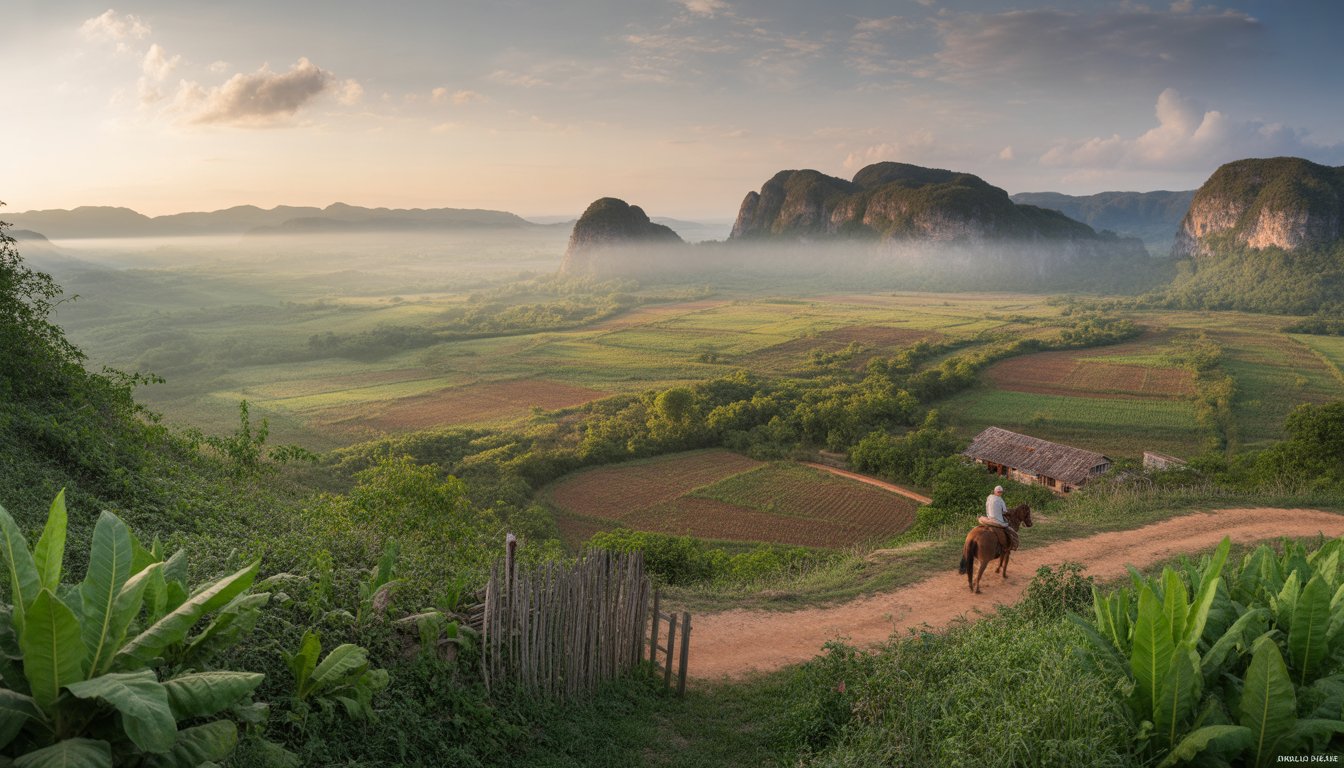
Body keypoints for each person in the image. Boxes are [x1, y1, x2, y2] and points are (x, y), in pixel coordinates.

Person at [978, 485, 1019, 550]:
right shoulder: (1000, 500)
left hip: (989, 519)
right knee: (1011, 531)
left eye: (1001, 492)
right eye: (999, 492)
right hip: (997, 521)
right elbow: (1005, 512)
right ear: (996, 492)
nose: (1000, 493)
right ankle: (1012, 545)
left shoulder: (989, 498)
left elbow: (986, 508)